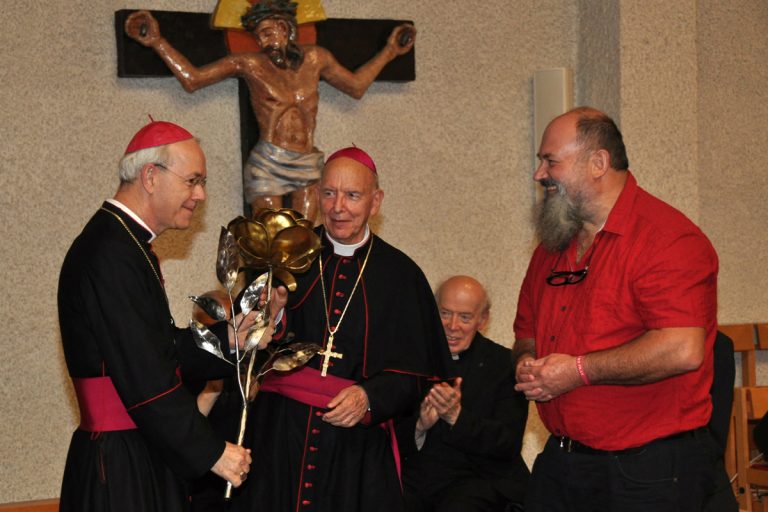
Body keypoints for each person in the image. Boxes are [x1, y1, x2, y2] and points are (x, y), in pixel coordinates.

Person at [512, 107, 720, 512]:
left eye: (550, 161)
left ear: (598, 162)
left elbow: (682, 348)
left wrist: (576, 371)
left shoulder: (667, 239)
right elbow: (526, 332)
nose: (539, 174)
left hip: (647, 470)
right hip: (564, 462)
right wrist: (526, 364)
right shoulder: (552, 247)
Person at [229, 146, 455, 512]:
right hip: (279, 434)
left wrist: (370, 396)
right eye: (329, 193)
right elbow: (241, 343)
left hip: (356, 447)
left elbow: (416, 373)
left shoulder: (401, 275)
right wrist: (272, 315)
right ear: (317, 195)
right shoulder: (285, 257)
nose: (338, 207)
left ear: (375, 201)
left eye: (352, 195)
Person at [58, 120, 259, 512]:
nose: (200, 195)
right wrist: (211, 451)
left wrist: (229, 338)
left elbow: (162, 349)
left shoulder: (126, 243)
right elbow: (146, 375)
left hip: (138, 447)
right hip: (120, 462)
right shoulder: (110, 252)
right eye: (193, 181)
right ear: (150, 177)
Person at [124, 1, 416, 222]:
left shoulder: (317, 58)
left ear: (285, 29)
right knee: (269, 241)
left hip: (306, 160)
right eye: (258, 36)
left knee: (304, 241)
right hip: (269, 160)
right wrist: (157, 42)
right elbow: (193, 79)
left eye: (266, 33)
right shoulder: (250, 64)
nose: (262, 42)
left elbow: (356, 86)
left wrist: (390, 50)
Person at [397, 276, 529, 512]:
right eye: (445, 313)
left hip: (479, 476)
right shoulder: (410, 359)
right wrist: (420, 426)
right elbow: (386, 432)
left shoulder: (504, 365)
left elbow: (507, 443)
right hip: (419, 474)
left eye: (465, 317)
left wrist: (456, 417)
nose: (453, 325)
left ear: (483, 320)